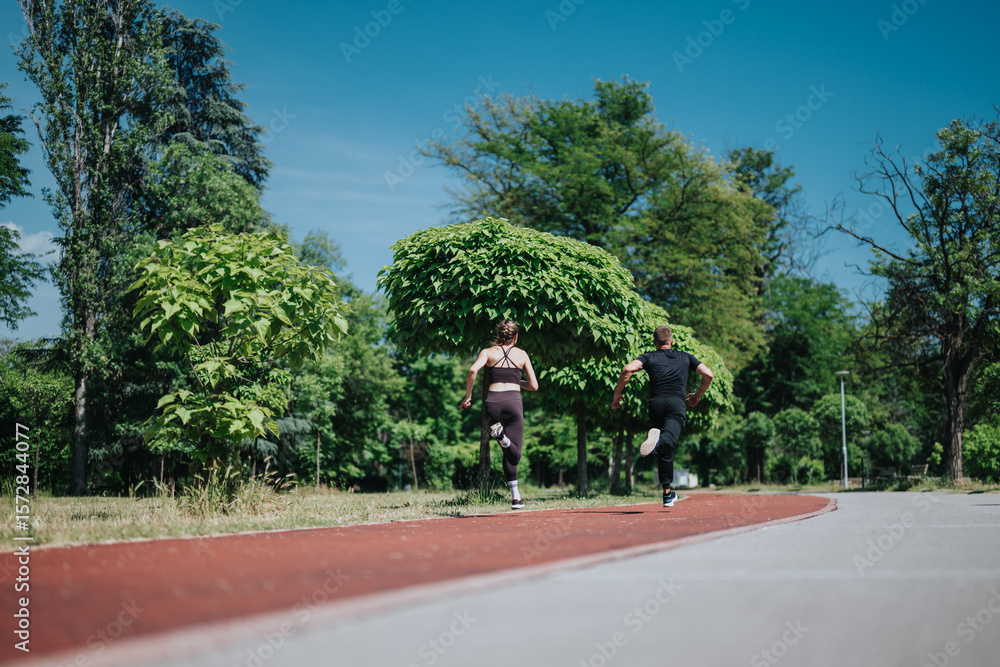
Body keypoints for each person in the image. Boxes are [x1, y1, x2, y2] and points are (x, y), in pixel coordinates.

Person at [612, 325, 713, 508]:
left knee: (665, 450)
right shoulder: (685, 357)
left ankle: (667, 493)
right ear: (672, 341)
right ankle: (658, 441)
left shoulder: (649, 356)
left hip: (656, 405)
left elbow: (627, 369)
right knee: (666, 442)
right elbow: (708, 374)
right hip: (675, 405)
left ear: (655, 342)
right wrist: (697, 395)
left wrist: (617, 393)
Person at [460, 319, 539, 509]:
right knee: (514, 456)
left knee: (507, 450)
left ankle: (516, 498)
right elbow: (534, 386)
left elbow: (473, 369)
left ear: (498, 335)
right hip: (513, 403)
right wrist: (516, 380)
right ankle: (502, 436)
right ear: (516, 336)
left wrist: (468, 396)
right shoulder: (522, 354)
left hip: (492, 404)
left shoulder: (487, 352)